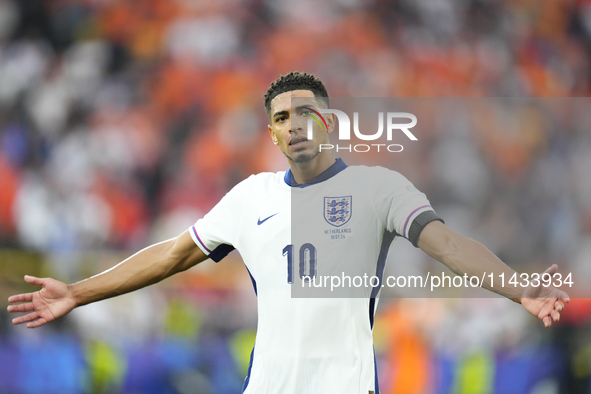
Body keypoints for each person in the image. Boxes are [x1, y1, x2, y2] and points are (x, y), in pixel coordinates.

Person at [8, 72, 569, 394]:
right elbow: (171, 255)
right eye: (281, 117)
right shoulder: (251, 196)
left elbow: (446, 244)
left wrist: (517, 286)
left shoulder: (380, 189)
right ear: (273, 133)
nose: (294, 124)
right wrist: (79, 293)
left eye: (305, 112)